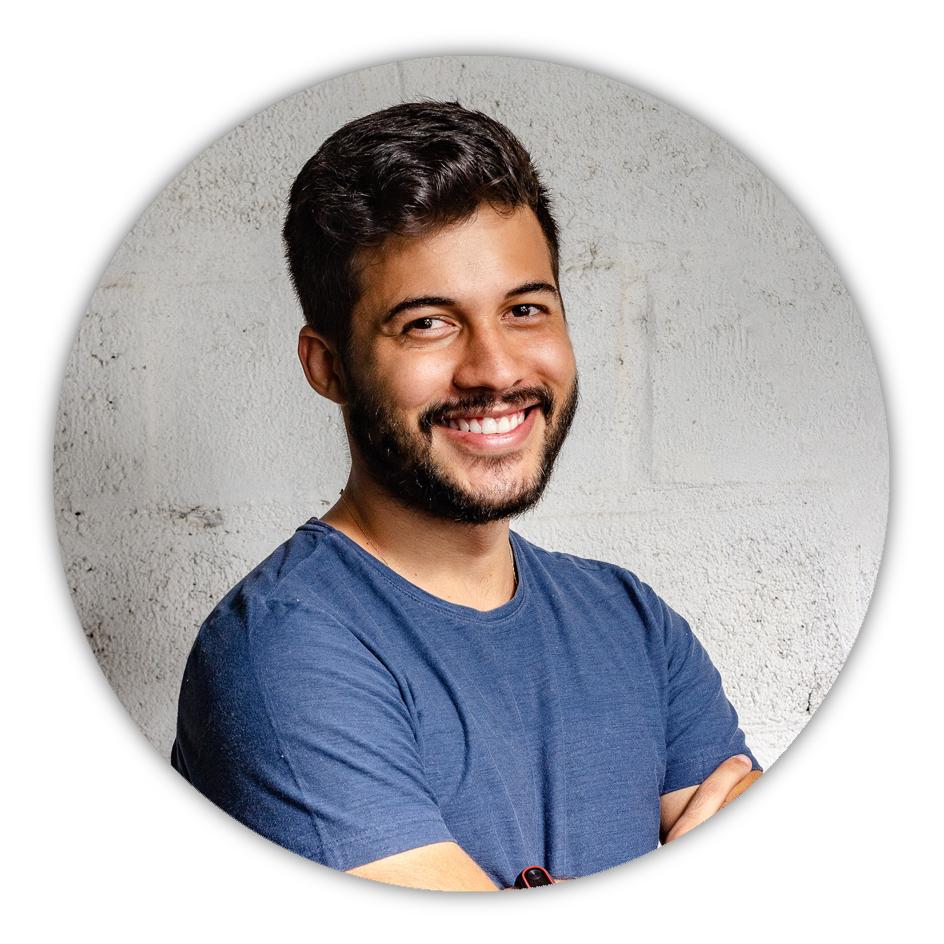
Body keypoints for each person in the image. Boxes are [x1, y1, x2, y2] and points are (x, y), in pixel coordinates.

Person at [171, 101, 762, 892]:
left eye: (525, 310)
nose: (496, 368)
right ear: (328, 367)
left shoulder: (633, 623)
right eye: (427, 323)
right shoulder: (281, 650)